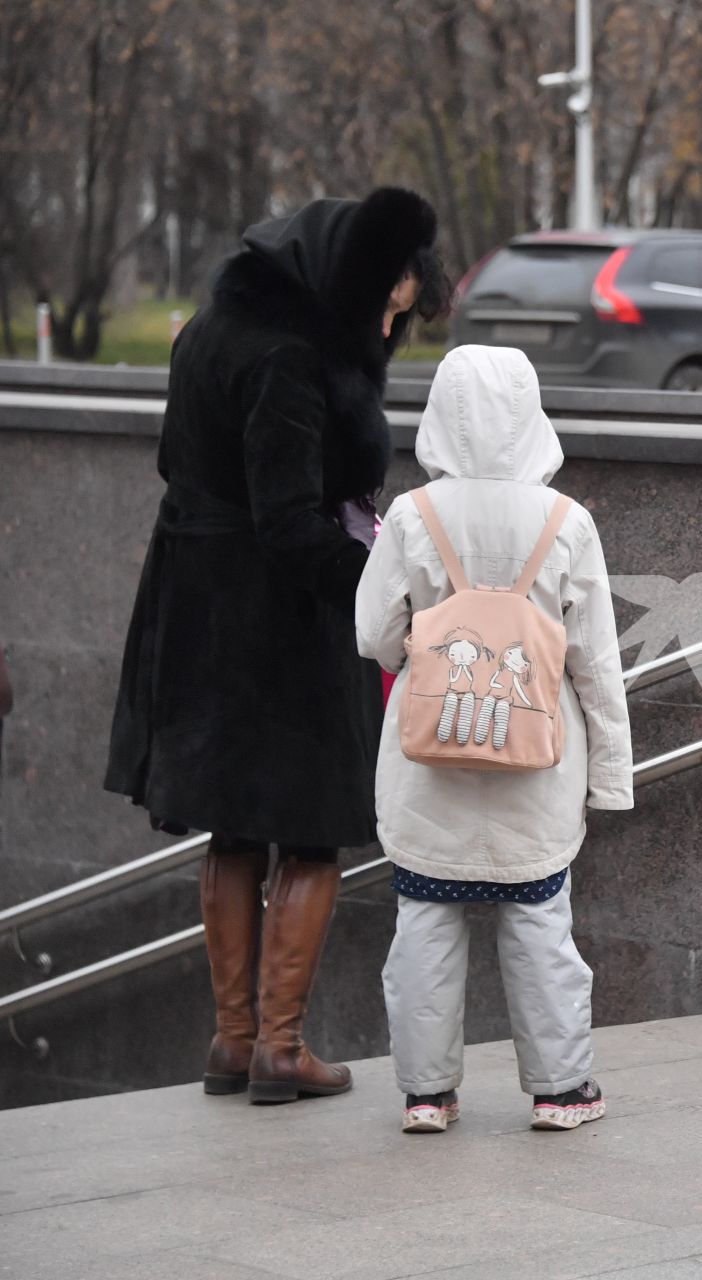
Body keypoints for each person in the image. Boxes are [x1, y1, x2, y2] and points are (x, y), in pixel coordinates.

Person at [103, 188, 446, 1103]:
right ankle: (281, 1048)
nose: (386, 325)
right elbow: (290, 522)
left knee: (231, 823)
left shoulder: (210, 329)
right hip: (276, 621)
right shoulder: (291, 361)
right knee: (311, 832)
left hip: (194, 603)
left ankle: (234, 1039)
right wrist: (387, 598)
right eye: (386, 305)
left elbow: (179, 464)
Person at [355, 345, 633, 1134]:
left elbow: (371, 633)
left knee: (425, 930)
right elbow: (596, 663)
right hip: (536, 771)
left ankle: (426, 1095)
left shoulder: (413, 515)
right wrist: (609, 779)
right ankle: (561, 1090)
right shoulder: (567, 522)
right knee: (541, 925)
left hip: (428, 766)